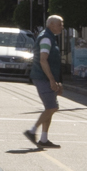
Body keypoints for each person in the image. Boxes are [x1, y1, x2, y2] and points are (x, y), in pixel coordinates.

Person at [24, 14, 65, 149]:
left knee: (50, 108)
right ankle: (32, 131)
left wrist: (57, 81)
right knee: (52, 107)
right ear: (51, 25)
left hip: (46, 77)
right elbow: (43, 60)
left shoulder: (50, 37)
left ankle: (44, 139)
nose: (62, 27)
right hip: (42, 77)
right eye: (60, 24)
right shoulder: (46, 38)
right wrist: (52, 80)